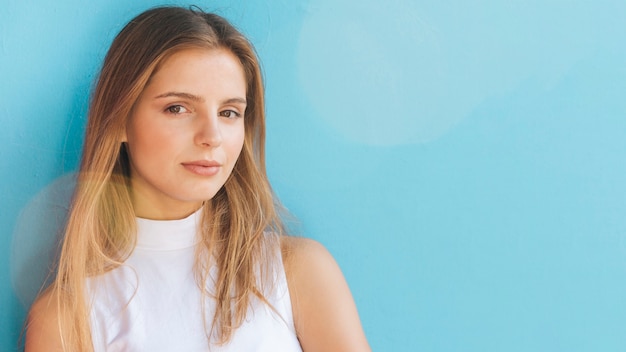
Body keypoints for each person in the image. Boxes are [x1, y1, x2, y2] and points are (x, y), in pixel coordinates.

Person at [25, 6, 370, 352]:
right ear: (118, 120)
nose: (212, 135)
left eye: (228, 112)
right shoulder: (66, 319)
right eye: (178, 108)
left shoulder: (297, 272)